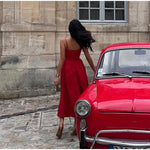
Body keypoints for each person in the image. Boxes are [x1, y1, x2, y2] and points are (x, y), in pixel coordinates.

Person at [54, 19, 95, 139]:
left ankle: (61, 123)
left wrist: (57, 76)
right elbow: (87, 57)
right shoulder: (81, 42)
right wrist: (94, 69)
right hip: (78, 68)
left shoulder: (64, 42)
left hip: (67, 70)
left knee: (65, 95)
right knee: (79, 96)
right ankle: (75, 126)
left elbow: (62, 59)